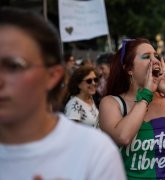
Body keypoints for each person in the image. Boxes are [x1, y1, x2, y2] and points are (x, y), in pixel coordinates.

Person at [0, 8, 125, 180]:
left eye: (14, 66)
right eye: (89, 81)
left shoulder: (95, 153)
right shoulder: (74, 105)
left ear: (52, 75)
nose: (94, 83)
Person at [99, 38, 165, 180]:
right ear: (129, 69)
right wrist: (146, 94)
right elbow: (123, 137)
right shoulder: (111, 103)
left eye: (156, 56)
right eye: (147, 57)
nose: (155, 61)